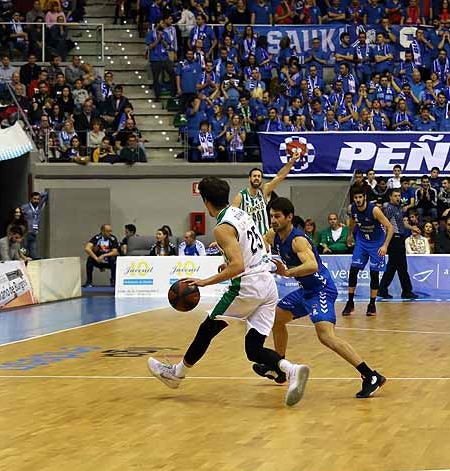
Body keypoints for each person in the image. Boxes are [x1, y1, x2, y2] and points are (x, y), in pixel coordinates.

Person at [147, 176, 310, 407]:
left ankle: (177, 374)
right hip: (267, 284)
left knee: (208, 327)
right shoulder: (241, 213)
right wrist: (228, 257)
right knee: (253, 350)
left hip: (248, 286)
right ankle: (292, 370)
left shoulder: (221, 228)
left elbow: (238, 266)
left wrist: (205, 281)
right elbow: (255, 247)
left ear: (205, 201)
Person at [264, 197, 387, 398]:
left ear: (289, 217)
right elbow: (258, 244)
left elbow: (312, 266)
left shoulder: (298, 240)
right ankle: (281, 368)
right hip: (305, 290)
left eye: (277, 216)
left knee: (325, 336)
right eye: (271, 216)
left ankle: (371, 375)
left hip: (321, 289)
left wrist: (286, 272)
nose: (273, 220)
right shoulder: (273, 235)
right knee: (277, 319)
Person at [343, 187, 395, 317]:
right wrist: (349, 234)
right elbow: (353, 222)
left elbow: (390, 228)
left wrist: (385, 246)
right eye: (356, 198)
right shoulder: (352, 208)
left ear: (364, 197)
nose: (358, 200)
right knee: (353, 270)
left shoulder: (374, 210)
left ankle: (372, 304)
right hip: (362, 241)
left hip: (377, 243)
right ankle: (350, 302)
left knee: (374, 273)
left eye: (360, 197)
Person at [231, 152, 299, 236]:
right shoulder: (241, 196)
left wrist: (291, 161)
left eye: (259, 176)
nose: (257, 178)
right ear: (249, 178)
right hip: (248, 238)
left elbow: (279, 176)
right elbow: (231, 216)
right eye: (254, 176)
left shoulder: (264, 191)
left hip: (264, 237)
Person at [378, 188, 418, 300]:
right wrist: (385, 240)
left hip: (399, 238)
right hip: (394, 239)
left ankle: (383, 289)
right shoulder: (389, 208)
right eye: (395, 196)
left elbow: (401, 224)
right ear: (390, 197)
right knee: (400, 266)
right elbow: (385, 224)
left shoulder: (398, 208)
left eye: (399, 196)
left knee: (394, 266)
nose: (398, 198)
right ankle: (406, 291)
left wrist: (412, 228)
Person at [20, 192, 45, 260]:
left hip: (34, 233)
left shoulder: (39, 207)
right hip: (26, 232)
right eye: (34, 199)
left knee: (34, 253)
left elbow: (45, 195)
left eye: (38, 199)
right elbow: (18, 216)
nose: (36, 201)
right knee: (23, 250)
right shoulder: (25, 207)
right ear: (31, 199)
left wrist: (40, 194)